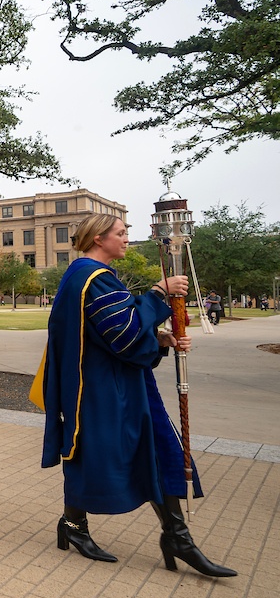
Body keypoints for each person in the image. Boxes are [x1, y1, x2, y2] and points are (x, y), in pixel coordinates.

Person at [40, 213, 235, 577]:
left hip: (105, 383)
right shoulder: (92, 278)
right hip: (103, 389)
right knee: (137, 450)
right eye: (120, 233)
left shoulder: (85, 276)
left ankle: (170, 536)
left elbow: (111, 337)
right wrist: (159, 294)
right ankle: (164, 537)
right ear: (99, 238)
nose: (126, 238)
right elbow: (123, 335)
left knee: (141, 449)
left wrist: (159, 340)